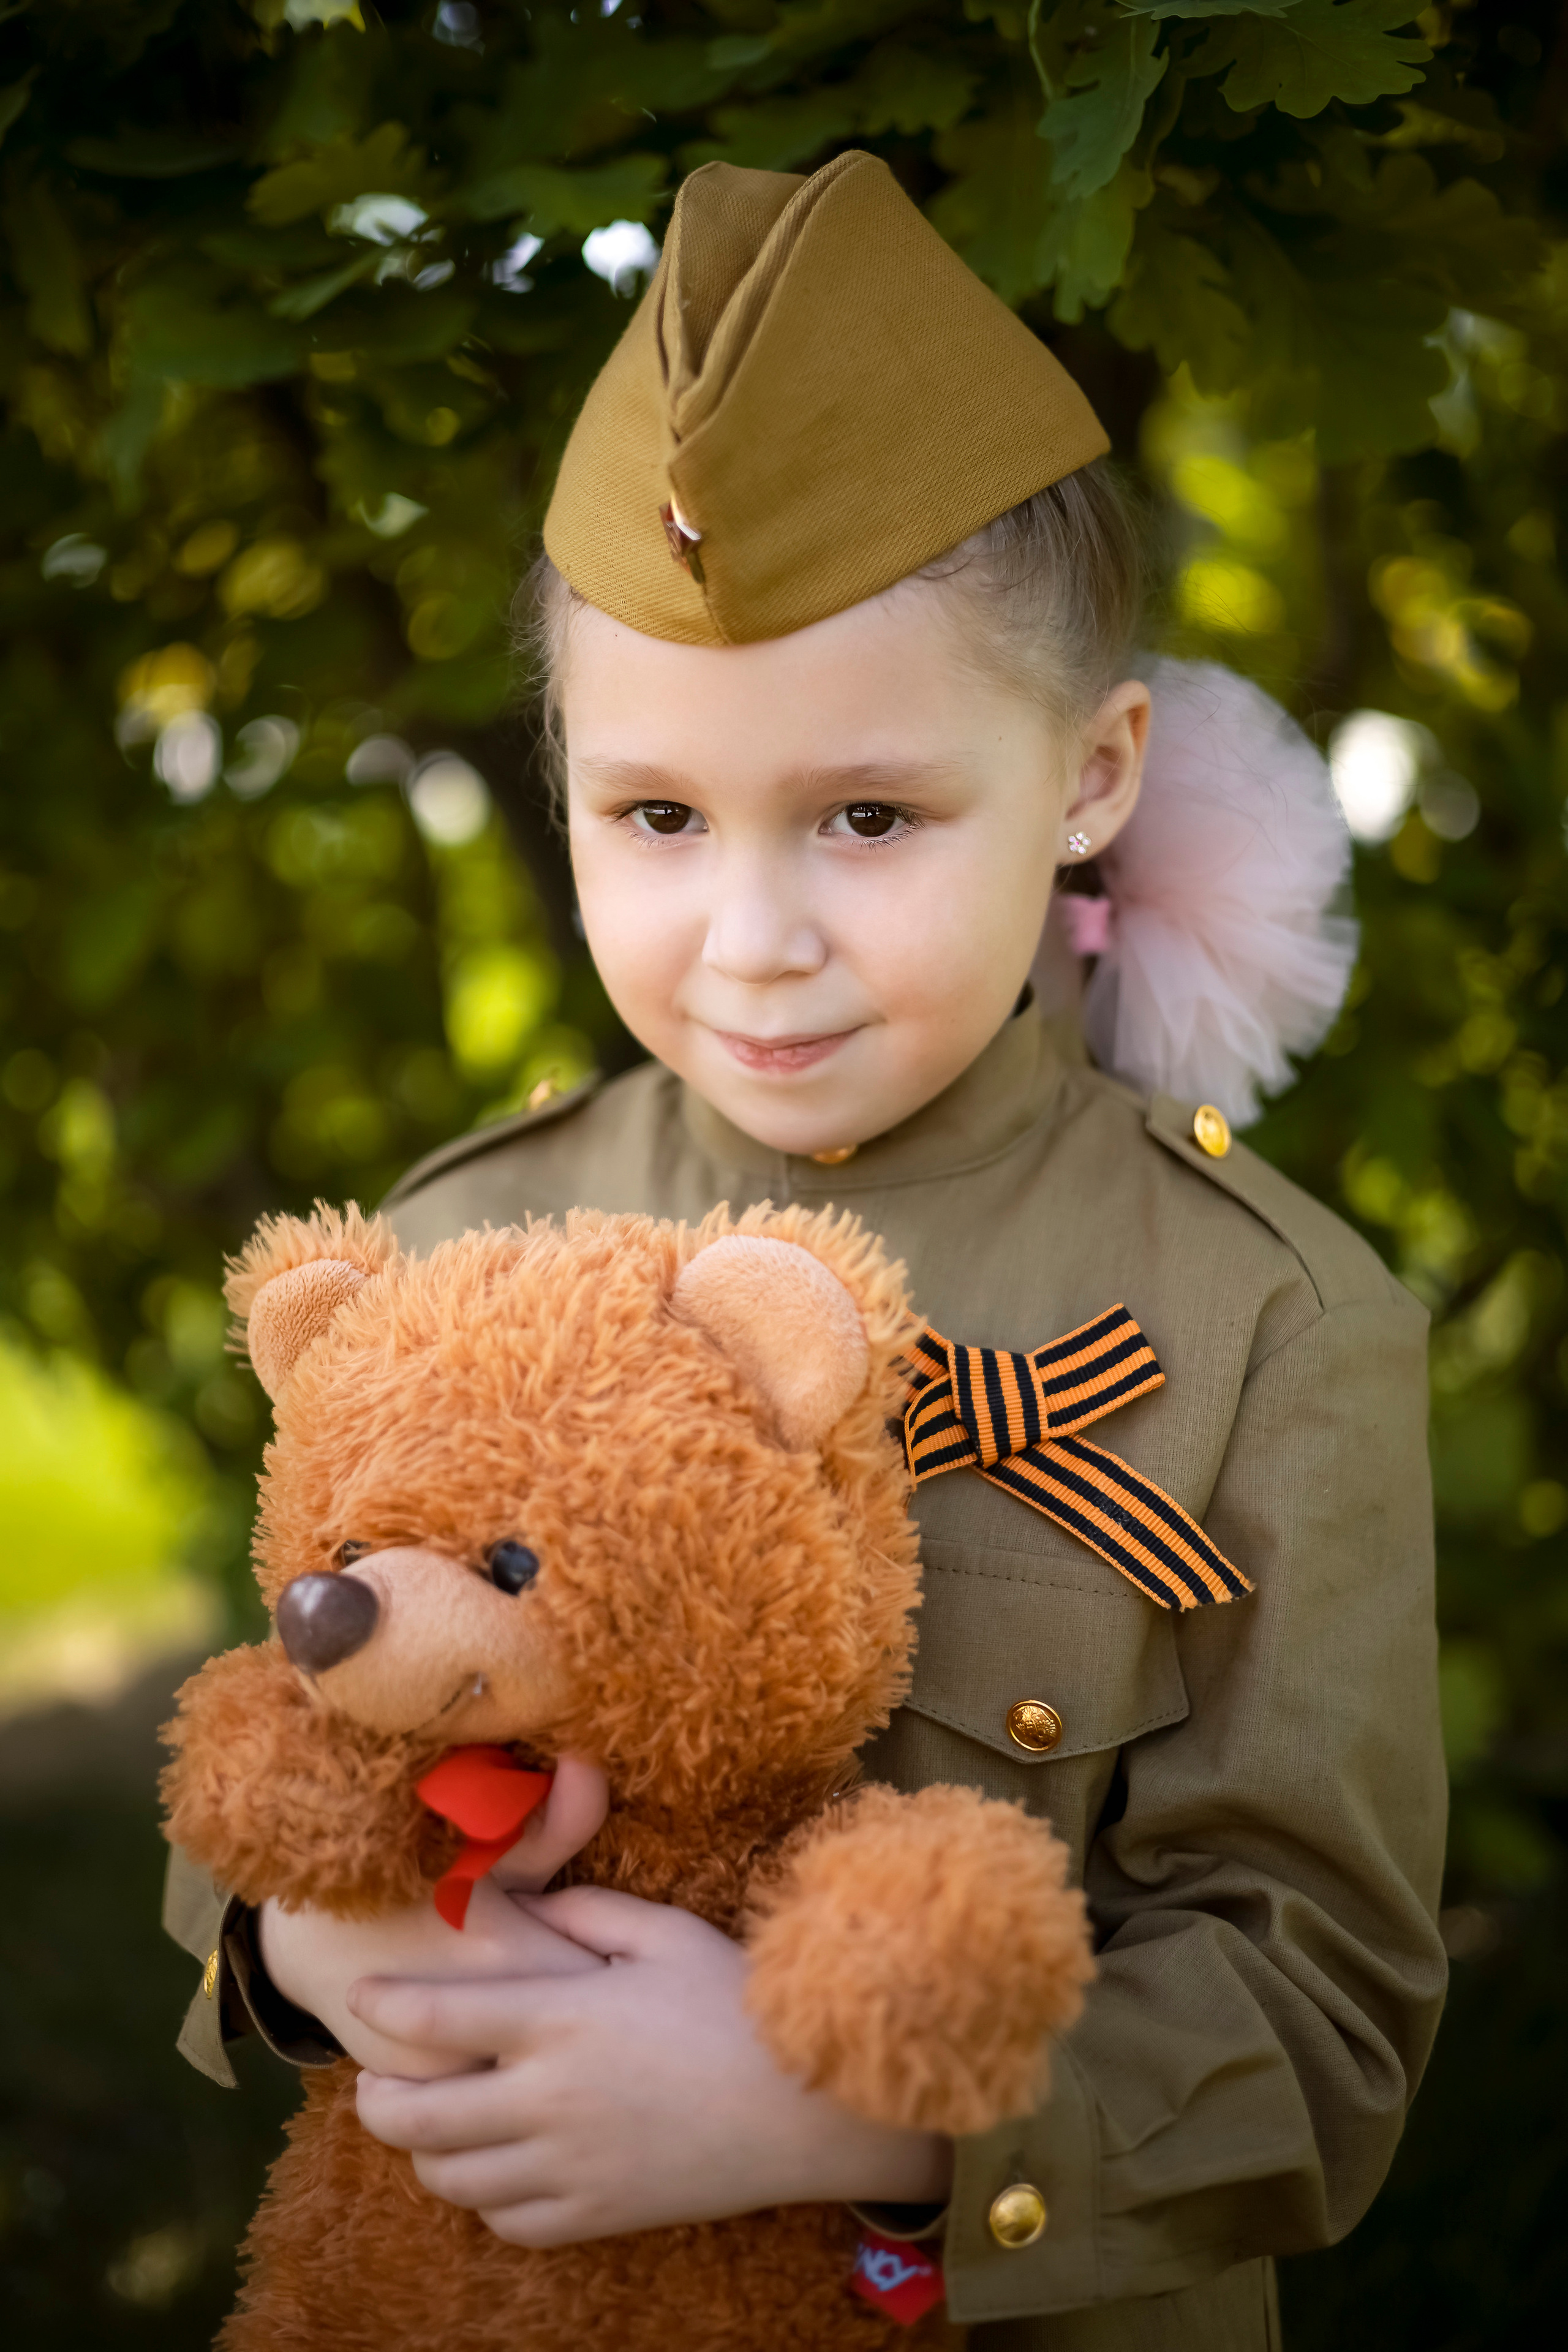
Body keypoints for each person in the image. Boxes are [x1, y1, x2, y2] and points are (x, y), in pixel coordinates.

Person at [164, 151, 1447, 2349]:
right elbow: (266, 1770)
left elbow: (1320, 2028)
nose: (753, 942)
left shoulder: (1268, 1317)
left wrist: (840, 2118)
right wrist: (302, 1953)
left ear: (1088, 775)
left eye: (867, 816)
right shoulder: (466, 1233)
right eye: (657, 817)